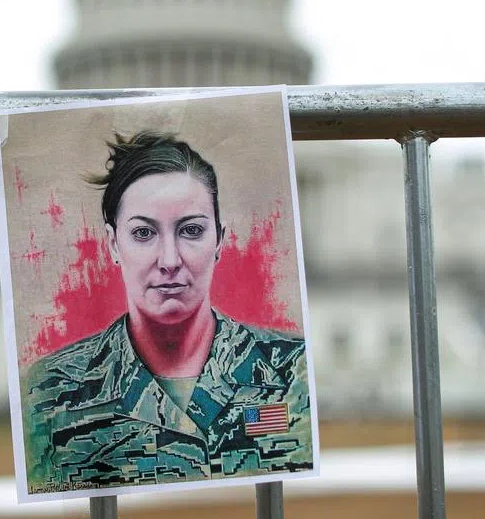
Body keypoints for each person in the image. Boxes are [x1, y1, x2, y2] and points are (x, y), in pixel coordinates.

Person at [21, 131, 312, 494]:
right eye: (143, 233)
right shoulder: (48, 389)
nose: (170, 261)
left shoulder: (295, 370)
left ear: (219, 240)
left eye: (191, 231)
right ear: (113, 244)